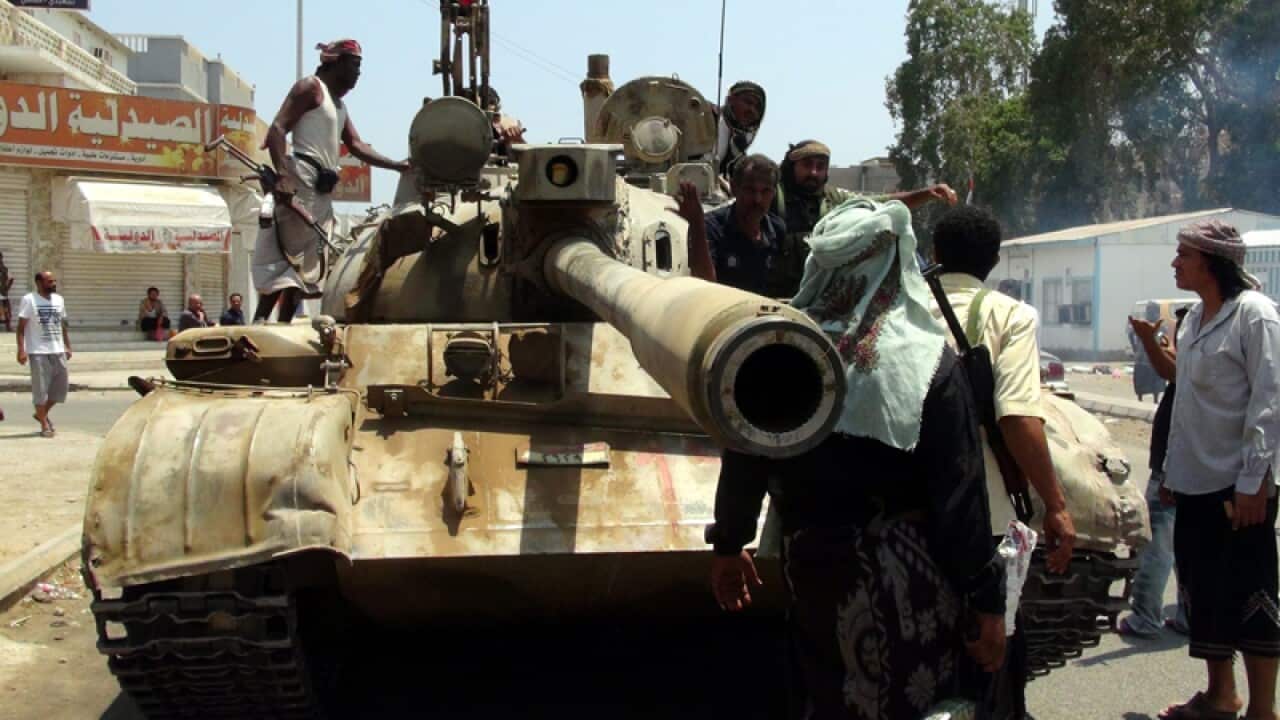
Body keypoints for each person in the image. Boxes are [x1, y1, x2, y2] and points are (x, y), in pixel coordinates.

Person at [709, 199, 1006, 719]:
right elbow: (959, 492)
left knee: (828, 692)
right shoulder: (928, 360)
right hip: (913, 577)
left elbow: (746, 453)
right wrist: (986, 598)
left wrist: (730, 543)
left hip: (818, 569)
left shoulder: (777, 352)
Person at [927, 206, 1078, 719]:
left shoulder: (898, 311)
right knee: (990, 653)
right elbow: (1016, 417)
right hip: (984, 521)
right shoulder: (1008, 315)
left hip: (900, 516)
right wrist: (1055, 505)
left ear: (933, 255)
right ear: (992, 260)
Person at [1159, 220, 1280, 720]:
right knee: (1202, 590)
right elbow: (1184, 400)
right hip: (1193, 483)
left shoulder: (1253, 315)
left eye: (1183, 254)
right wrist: (1170, 471)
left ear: (1211, 261)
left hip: (1239, 486)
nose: (1175, 262)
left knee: (1251, 595)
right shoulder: (1191, 321)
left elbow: (1270, 401)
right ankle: (1220, 696)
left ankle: (1263, 710)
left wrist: (1254, 481)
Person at [252, 38, 410, 325]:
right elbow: (277, 129)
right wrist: (284, 177)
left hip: (322, 189)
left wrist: (398, 166)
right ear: (334, 62)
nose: (358, 73)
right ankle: (261, 321)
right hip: (303, 177)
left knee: (305, 268)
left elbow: (357, 146)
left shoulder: (338, 105)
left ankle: (283, 327)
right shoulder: (310, 88)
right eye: (355, 65)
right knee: (289, 256)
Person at [770, 139, 958, 298]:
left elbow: (881, 203)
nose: (813, 173)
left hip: (814, 293)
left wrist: (926, 193)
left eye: (820, 167)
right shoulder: (770, 194)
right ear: (791, 166)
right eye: (807, 165)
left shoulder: (833, 199)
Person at [1120, 305, 1190, 638]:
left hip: (1173, 467)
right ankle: (1192, 615)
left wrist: (1149, 341)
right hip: (1185, 466)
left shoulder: (1192, 369)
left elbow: (1172, 369)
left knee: (1157, 544)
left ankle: (1144, 616)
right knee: (1186, 546)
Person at [676, 153, 785, 294]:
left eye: (765, 191)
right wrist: (697, 224)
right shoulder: (711, 227)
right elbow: (705, 286)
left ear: (774, 193)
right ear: (734, 188)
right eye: (750, 190)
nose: (758, 199)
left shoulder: (776, 229)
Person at [16, 271, 71, 438]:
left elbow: (62, 324)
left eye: (54, 280)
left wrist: (68, 345)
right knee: (40, 390)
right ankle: (44, 423)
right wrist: (21, 349)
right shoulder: (29, 299)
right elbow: (21, 328)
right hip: (38, 351)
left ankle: (41, 413)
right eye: (49, 281)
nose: (53, 283)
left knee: (61, 388)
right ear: (39, 283)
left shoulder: (59, 300)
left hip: (58, 349)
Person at [714, 81, 766, 180]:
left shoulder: (741, 145)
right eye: (748, 102)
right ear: (731, 100)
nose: (752, 110)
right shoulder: (707, 118)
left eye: (757, 107)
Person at [0, 250, 12, 333]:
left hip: (2, 293)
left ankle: (8, 327)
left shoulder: (4, 269)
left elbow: (11, 278)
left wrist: (7, 288)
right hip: (3, 293)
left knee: (6, 310)